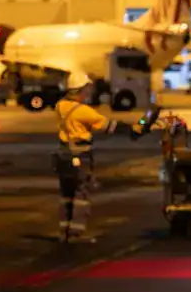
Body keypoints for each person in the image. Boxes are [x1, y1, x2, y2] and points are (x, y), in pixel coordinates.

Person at [53, 71, 155, 243]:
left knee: (66, 194)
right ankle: (76, 233)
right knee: (81, 194)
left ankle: (64, 231)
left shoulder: (60, 105)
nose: (89, 93)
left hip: (62, 155)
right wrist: (135, 130)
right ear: (80, 90)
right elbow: (109, 126)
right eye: (87, 89)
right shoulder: (84, 111)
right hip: (79, 156)